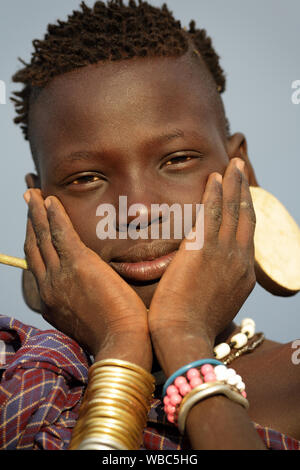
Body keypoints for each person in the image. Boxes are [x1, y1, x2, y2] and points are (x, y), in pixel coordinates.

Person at [0, 0, 299, 450]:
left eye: (177, 160)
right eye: (86, 178)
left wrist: (183, 336)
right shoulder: (15, 372)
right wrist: (122, 345)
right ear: (40, 208)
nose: (137, 211)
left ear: (242, 170)